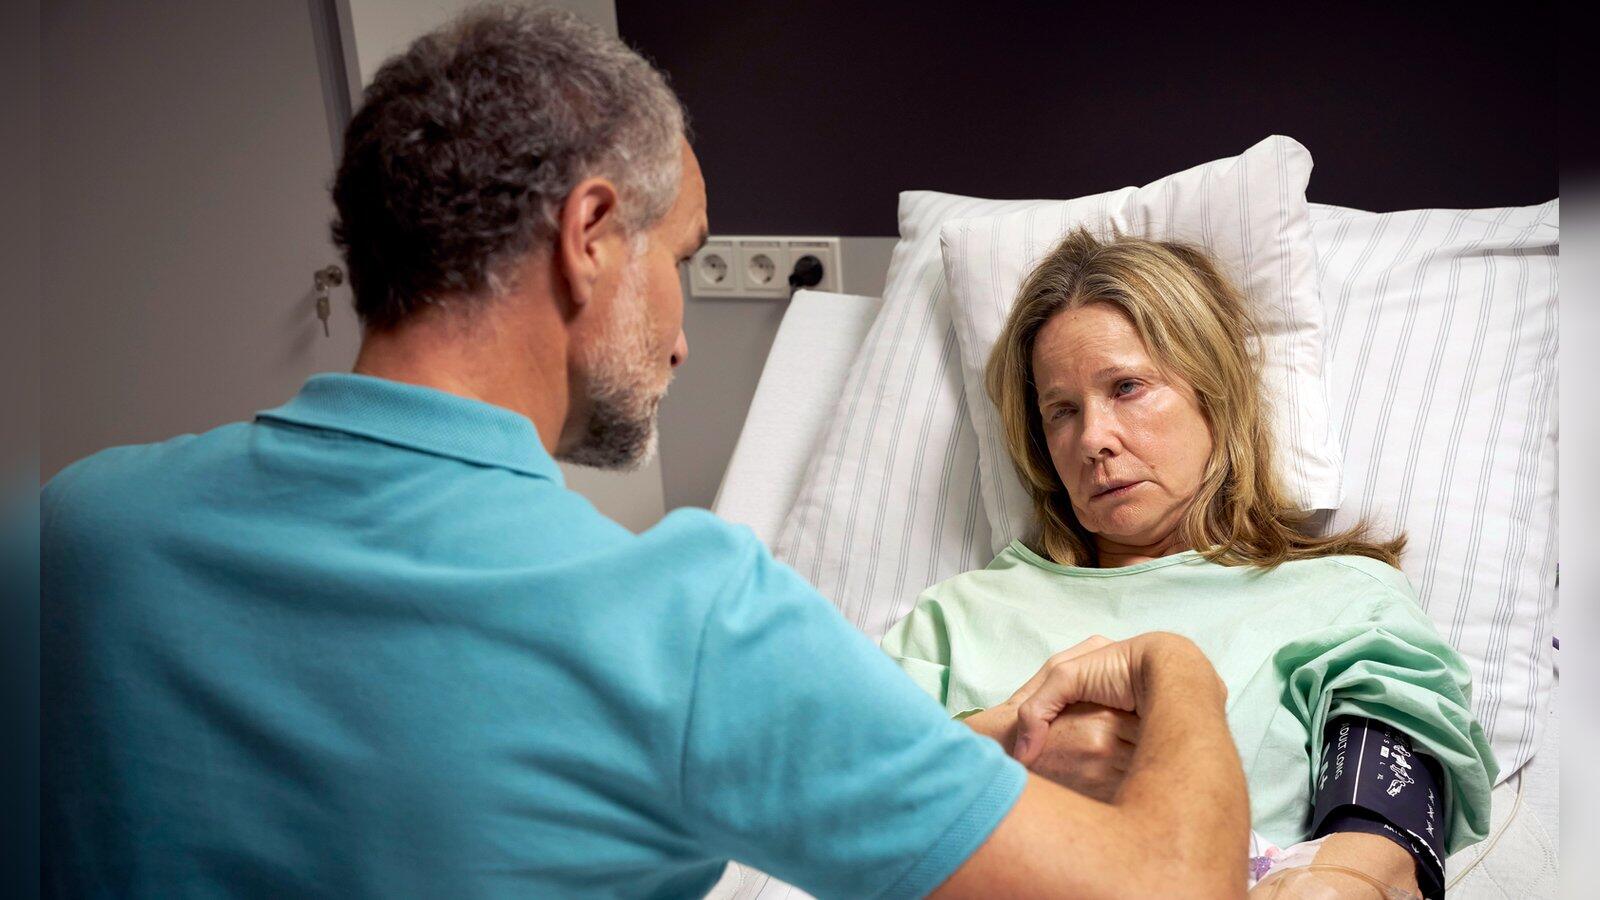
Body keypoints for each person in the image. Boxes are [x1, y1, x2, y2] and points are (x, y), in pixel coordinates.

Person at [40, 6, 1250, 898]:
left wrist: (947, 754)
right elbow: (1170, 889)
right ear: (590, 236)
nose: (678, 332)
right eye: (682, 259)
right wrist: (1177, 662)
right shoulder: (688, 623)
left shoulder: (75, 533)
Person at [880, 229, 1498, 898]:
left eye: (1127, 387)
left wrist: (1341, 881)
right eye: (1061, 411)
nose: (1093, 439)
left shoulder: (1346, 602)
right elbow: (846, 799)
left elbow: (1381, 838)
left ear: (1214, 391)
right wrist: (1008, 750)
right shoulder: (957, 618)